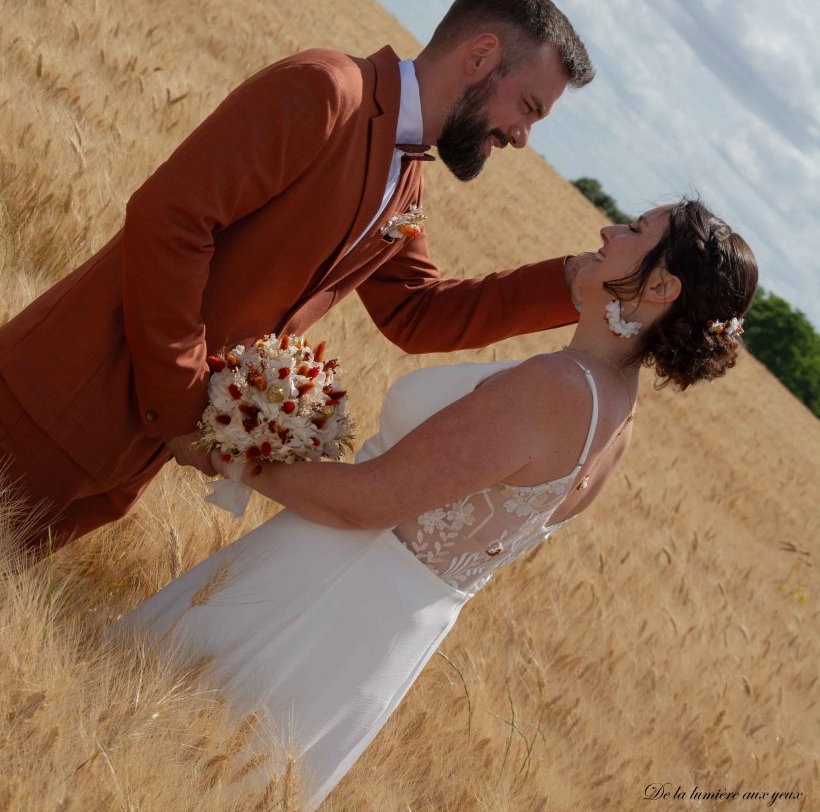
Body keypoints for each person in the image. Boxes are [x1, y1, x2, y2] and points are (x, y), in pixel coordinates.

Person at [121, 198, 758, 810]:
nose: (606, 230)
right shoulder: (616, 415)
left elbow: (366, 505)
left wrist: (225, 453)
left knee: (139, 754)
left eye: (635, 230)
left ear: (661, 288)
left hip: (315, 596)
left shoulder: (560, 388)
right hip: (371, 643)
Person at [0, 0, 594, 554]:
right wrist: (180, 402)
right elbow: (170, 220)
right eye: (529, 107)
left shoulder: (407, 183)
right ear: (482, 55)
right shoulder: (327, 91)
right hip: (49, 410)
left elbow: (417, 312)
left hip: (132, 459)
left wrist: (577, 285)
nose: (521, 137)